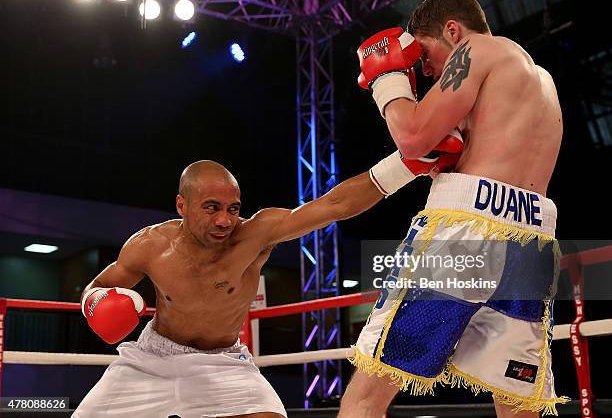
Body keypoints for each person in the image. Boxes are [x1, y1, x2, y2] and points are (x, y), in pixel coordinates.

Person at [73, 129, 463, 418]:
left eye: (233, 207)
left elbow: (334, 205)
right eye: (211, 207)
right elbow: (100, 286)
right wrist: (97, 302)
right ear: (182, 205)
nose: (225, 219)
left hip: (224, 362)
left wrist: (406, 165)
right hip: (151, 360)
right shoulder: (150, 245)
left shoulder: (255, 234)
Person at [339, 0, 566, 418]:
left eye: (425, 55)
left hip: (466, 233)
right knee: (517, 401)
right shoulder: (542, 81)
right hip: (532, 245)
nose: (424, 70)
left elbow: (411, 137)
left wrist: (387, 82)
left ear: (453, 30)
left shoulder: (476, 50)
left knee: (371, 385)